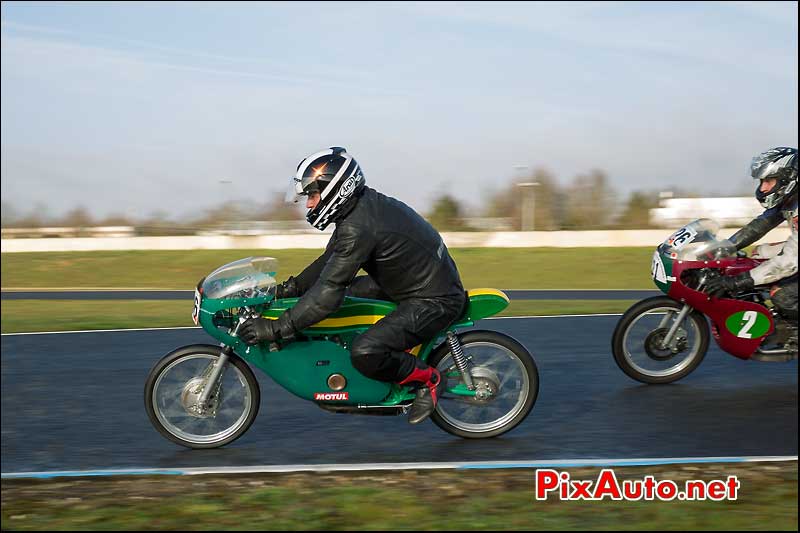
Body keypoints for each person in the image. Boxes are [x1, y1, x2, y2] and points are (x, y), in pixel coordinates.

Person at [239, 147, 467, 424]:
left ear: (336, 189)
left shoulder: (360, 226)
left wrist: (277, 328)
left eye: (312, 195)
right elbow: (327, 264)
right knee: (343, 302)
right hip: (409, 285)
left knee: (366, 351)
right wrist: (288, 290)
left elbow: (326, 294)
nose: (309, 204)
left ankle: (429, 380)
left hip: (434, 298)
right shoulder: (358, 212)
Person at [705, 147, 798, 328]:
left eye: (768, 181)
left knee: (782, 295)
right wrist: (724, 248)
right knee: (759, 254)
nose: (762, 188)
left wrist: (737, 282)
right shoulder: (790, 199)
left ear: (789, 178)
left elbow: (789, 262)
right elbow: (758, 227)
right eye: (762, 181)